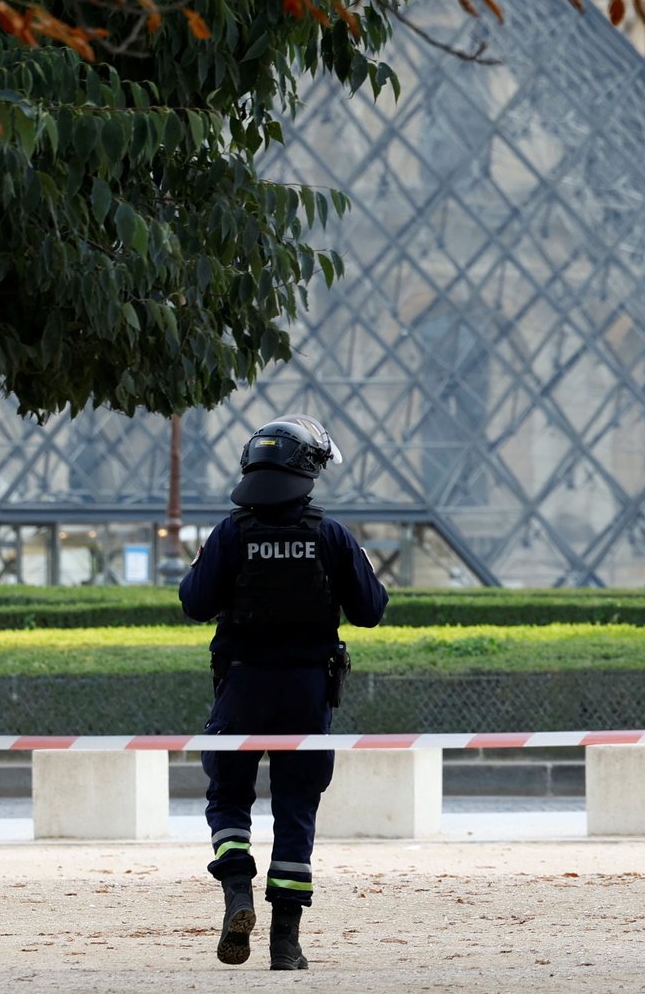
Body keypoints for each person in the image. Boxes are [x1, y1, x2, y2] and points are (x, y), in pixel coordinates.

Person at [179, 414, 389, 970]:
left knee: (227, 799)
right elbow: (371, 609)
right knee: (296, 809)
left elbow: (194, 603)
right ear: (307, 471)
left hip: (242, 685)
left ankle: (237, 894)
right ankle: (286, 945)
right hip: (305, 691)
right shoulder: (331, 534)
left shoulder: (229, 533)